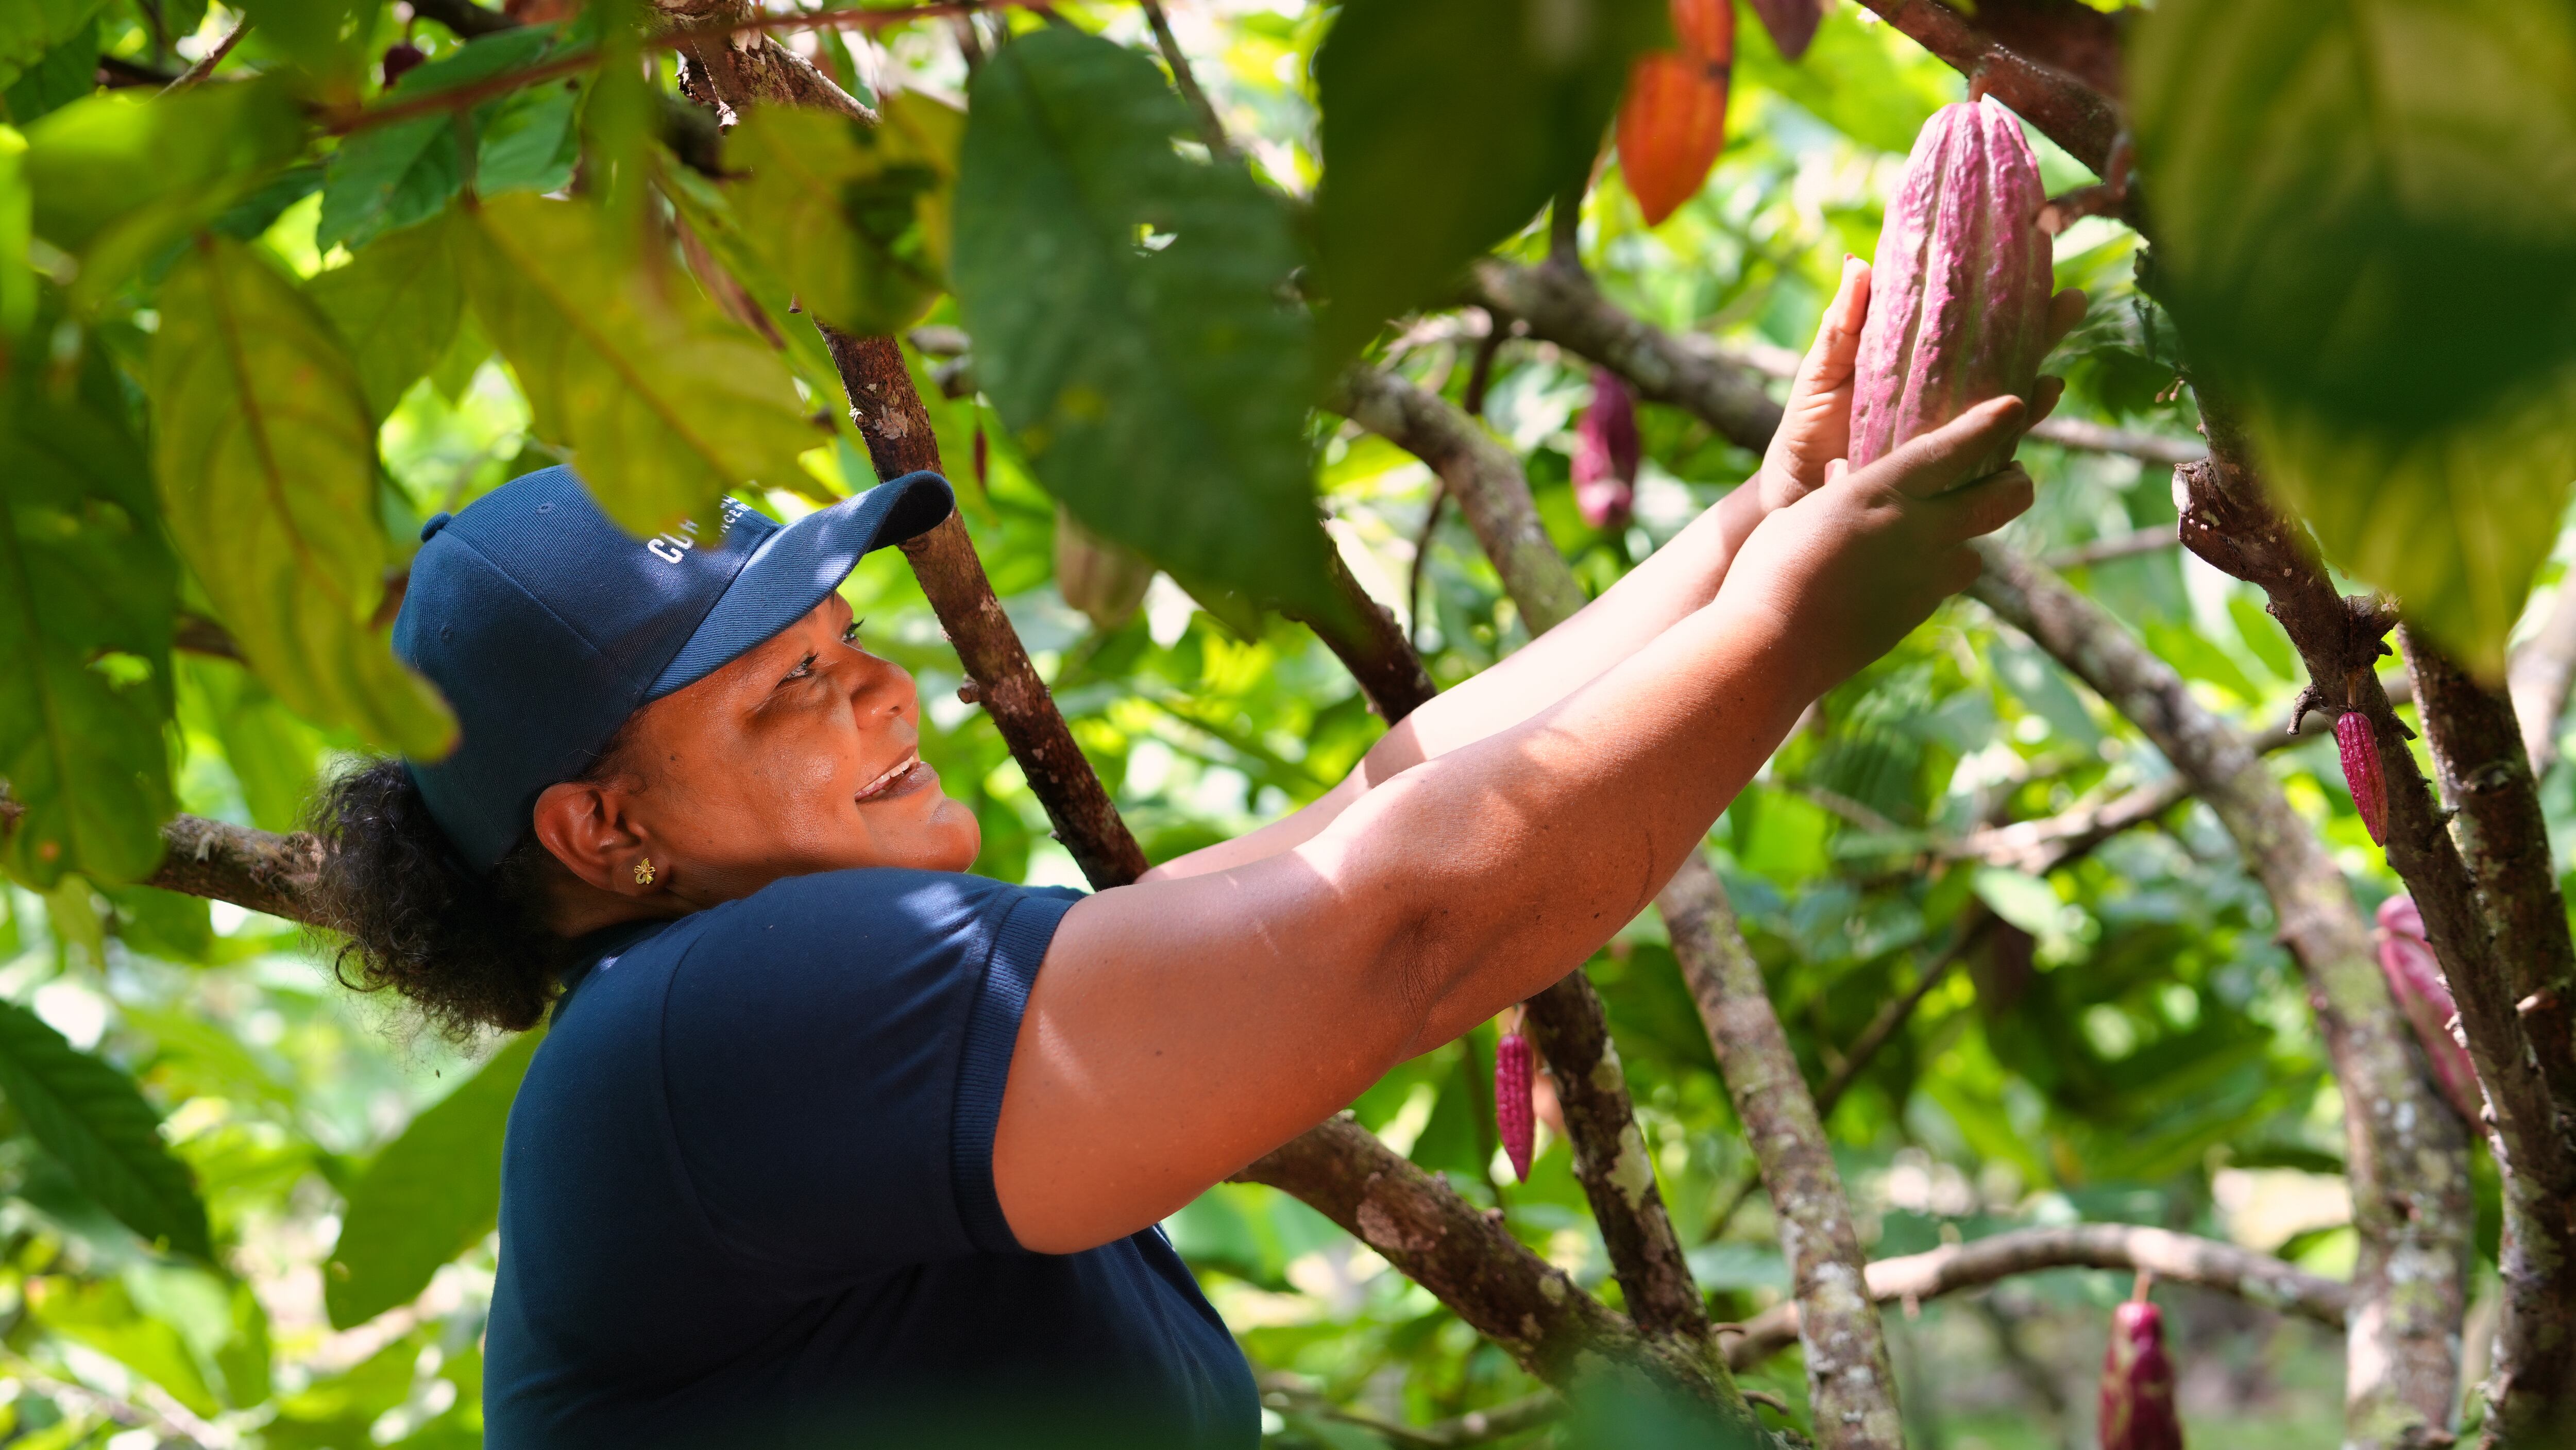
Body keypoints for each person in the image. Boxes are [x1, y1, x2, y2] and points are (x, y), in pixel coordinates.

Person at [310, 259, 2074, 1448]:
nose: (886, 693)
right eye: (794, 687)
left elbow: (1376, 808)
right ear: (605, 828)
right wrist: (1793, 621)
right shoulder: (717, 1025)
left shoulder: (773, 1041)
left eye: (854, 638)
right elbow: (1401, 925)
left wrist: (1766, 517)